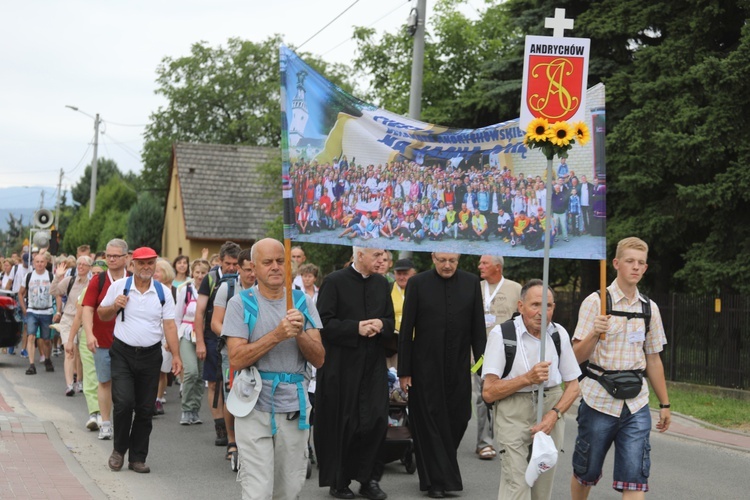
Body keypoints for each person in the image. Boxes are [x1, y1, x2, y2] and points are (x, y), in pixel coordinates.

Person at [222, 238, 325, 499]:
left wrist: (299, 333)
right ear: (253, 268)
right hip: (254, 408)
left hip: (295, 409)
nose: (276, 267)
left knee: (288, 491)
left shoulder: (302, 302)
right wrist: (277, 335)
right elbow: (236, 358)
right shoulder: (240, 303)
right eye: (267, 262)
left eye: (281, 261)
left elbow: (320, 358)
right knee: (257, 490)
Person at [570, 237, 671, 500]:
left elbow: (654, 359)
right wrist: (594, 332)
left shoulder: (650, 309)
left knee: (634, 480)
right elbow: (575, 357)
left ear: (645, 268)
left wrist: (665, 404)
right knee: (586, 472)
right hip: (598, 401)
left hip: (637, 404)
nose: (635, 267)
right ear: (616, 264)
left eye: (640, 263)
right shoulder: (596, 302)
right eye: (629, 261)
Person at [482, 279, 581, 500]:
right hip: (512, 408)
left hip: (551, 406)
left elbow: (573, 387)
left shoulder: (558, 334)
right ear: (521, 306)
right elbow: (488, 392)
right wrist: (527, 378)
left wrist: (554, 415)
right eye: (536, 305)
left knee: (541, 488)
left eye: (549, 306)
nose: (542, 312)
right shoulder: (502, 334)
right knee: (517, 484)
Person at [398, 253, 486, 498]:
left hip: (459, 366)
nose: (447, 265)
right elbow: (406, 329)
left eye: (452, 261)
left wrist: (484, 370)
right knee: (430, 423)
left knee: (460, 417)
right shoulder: (417, 283)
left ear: (458, 260)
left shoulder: (470, 283)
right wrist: (405, 371)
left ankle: (439, 470)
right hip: (424, 368)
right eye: (442, 260)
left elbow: (479, 331)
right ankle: (437, 482)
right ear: (433, 258)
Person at [315, 246, 395, 500]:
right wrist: (355, 328)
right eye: (376, 256)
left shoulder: (383, 284)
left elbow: (391, 320)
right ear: (360, 255)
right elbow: (323, 324)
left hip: (372, 366)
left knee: (376, 421)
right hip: (342, 366)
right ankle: (339, 481)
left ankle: (369, 479)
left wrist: (382, 324)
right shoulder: (334, 282)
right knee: (345, 422)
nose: (382, 260)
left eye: (383, 256)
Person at [98, 247, 182, 474]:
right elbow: (101, 314)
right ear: (132, 265)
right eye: (142, 263)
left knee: (145, 409)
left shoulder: (163, 292)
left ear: (155, 265)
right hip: (123, 353)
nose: (146, 267)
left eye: (150, 263)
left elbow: (170, 325)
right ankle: (118, 450)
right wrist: (115, 305)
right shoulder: (120, 287)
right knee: (124, 403)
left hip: (150, 355)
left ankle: (137, 458)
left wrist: (176, 356)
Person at [210, 248, 256, 471]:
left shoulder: (264, 288)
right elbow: (215, 322)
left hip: (258, 350)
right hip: (232, 352)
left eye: (255, 269)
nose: (252, 274)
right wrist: (233, 338)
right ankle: (232, 441)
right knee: (233, 396)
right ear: (239, 268)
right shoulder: (227, 289)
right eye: (248, 270)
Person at [474, 255, 522, 461]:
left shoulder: (515, 288)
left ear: (497, 266)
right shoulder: (475, 287)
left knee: (508, 397)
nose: (479, 266)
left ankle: (509, 442)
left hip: (507, 353)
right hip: (479, 354)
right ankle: (484, 443)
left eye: (484, 263)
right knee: (481, 397)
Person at [194, 241, 240, 447]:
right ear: (220, 261)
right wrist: (200, 343)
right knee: (214, 382)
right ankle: (220, 424)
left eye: (235, 264)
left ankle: (235, 425)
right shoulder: (210, 279)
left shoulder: (244, 279)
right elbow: (200, 312)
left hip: (237, 335)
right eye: (228, 263)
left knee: (234, 382)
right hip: (212, 335)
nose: (231, 268)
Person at [83, 238, 130, 440]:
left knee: (127, 386)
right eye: (108, 255)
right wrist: (89, 334)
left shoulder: (133, 279)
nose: (111, 259)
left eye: (115, 256)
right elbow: (87, 309)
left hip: (128, 342)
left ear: (126, 258)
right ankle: (106, 423)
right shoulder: (98, 280)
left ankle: (123, 423)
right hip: (103, 340)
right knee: (104, 382)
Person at [175, 258, 210, 426]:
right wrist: (174, 338)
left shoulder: (211, 290)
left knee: (201, 375)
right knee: (191, 372)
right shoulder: (185, 290)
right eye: (197, 272)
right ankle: (186, 409)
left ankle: (195, 410)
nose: (200, 276)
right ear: (192, 273)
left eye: (203, 273)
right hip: (187, 333)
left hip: (204, 335)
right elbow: (177, 316)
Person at [51, 255, 93, 395]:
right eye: (79, 264)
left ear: (89, 268)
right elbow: (54, 292)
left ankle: (79, 381)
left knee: (81, 354)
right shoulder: (70, 281)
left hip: (85, 321)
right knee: (70, 350)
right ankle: (69, 385)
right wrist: (58, 277)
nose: (80, 266)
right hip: (68, 319)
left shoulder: (92, 283)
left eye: (84, 265)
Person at [18, 253, 57, 374]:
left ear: (46, 263)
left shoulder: (51, 276)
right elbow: (20, 293)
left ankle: (47, 359)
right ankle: (31, 364)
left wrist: (59, 310)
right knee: (31, 336)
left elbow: (57, 294)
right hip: (32, 311)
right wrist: (24, 308)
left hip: (47, 311)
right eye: (37, 262)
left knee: (46, 339)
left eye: (42, 262)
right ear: (34, 263)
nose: (39, 264)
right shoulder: (29, 276)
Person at [388, 258, 416, 370]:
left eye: (405, 274)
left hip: (415, 342)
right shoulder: (388, 289)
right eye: (399, 274)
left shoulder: (419, 289)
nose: (402, 277)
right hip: (393, 344)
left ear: (413, 274)